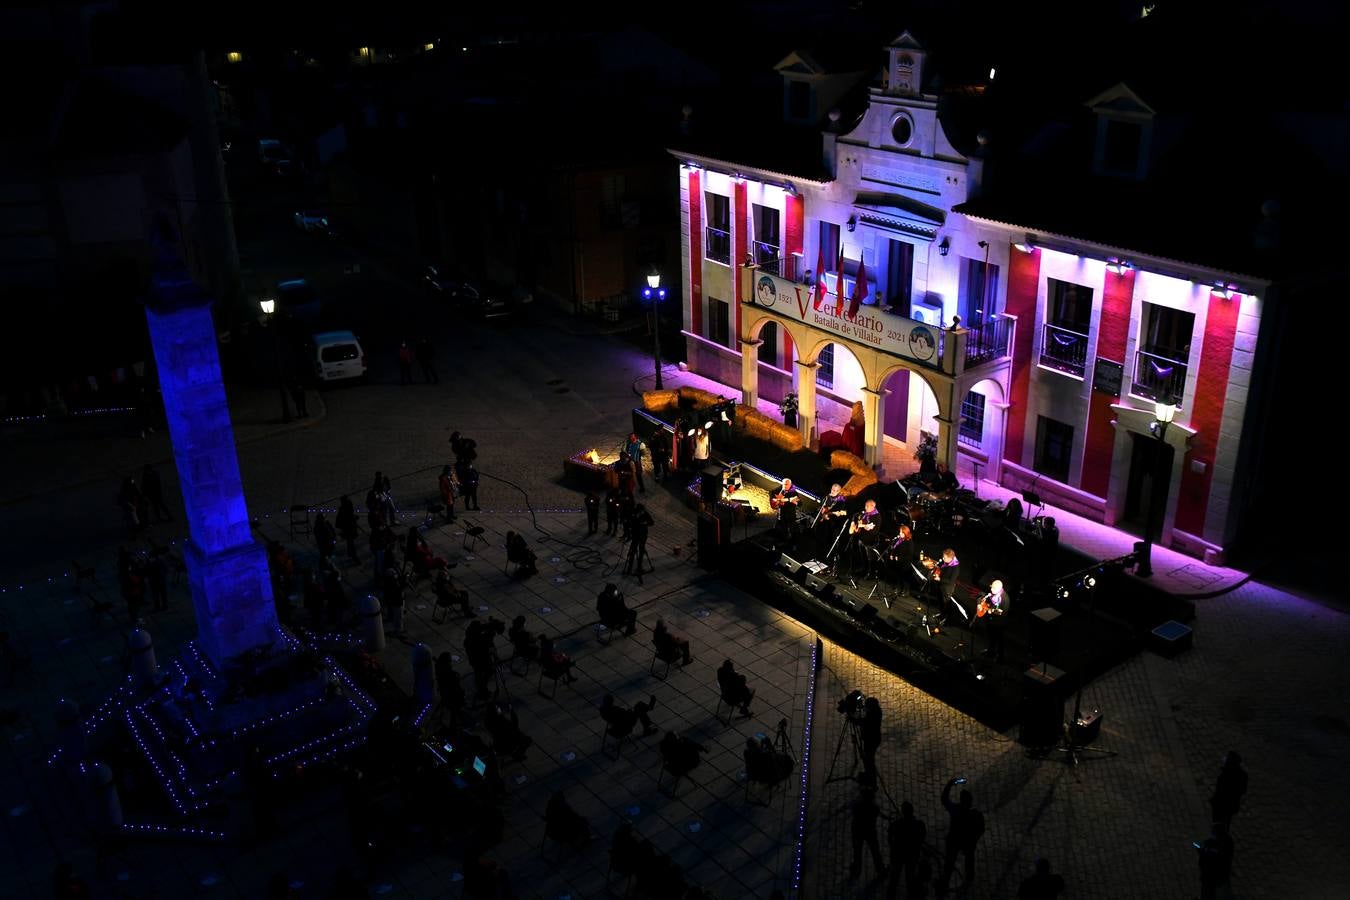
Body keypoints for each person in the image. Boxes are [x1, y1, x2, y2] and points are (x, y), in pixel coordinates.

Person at [938, 777, 984, 894]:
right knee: (967, 859)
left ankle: (945, 884)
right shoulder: (975, 815)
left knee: (950, 863)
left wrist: (950, 784)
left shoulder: (957, 810)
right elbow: (981, 829)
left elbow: (944, 799)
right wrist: (974, 840)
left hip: (955, 841)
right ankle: (967, 881)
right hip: (964, 842)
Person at [888, 800, 926, 899]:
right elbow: (922, 837)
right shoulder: (919, 824)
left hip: (898, 854)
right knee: (910, 877)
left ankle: (891, 895)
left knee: (895, 877)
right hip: (912, 855)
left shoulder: (896, 824)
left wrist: (893, 848)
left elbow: (889, 836)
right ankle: (911, 895)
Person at [850, 785, 886, 879]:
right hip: (870, 832)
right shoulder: (874, 807)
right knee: (875, 852)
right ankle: (880, 870)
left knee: (857, 853)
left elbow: (853, 809)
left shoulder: (857, 805)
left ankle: (856, 871)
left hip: (858, 831)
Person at [1196, 822, 1233, 900]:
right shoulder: (1228, 841)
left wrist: (1203, 851)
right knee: (1208, 889)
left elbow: (1214, 858)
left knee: (1208, 889)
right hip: (1214, 873)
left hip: (1212, 873)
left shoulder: (1217, 845)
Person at [1210, 751, 1248, 826]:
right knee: (1225, 823)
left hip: (1221, 805)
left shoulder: (1226, 774)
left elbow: (1220, 790)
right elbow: (1243, 790)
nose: (1224, 760)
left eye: (1227, 759)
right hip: (1231, 806)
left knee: (1218, 824)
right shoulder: (1243, 775)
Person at [980, 579, 1011, 661]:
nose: (991, 589)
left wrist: (992, 611)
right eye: (991, 587)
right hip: (991, 620)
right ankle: (990, 652)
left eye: (993, 588)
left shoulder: (1005, 598)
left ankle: (1000, 658)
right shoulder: (993, 594)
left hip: (999, 623)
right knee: (991, 638)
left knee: (999, 640)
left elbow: (1003, 613)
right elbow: (988, 602)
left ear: (999, 589)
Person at [860, 697, 882, 784]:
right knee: (869, 758)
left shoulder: (871, 716)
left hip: (871, 740)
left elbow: (864, 722)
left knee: (869, 760)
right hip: (874, 739)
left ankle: (871, 780)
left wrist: (856, 719)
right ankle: (868, 775)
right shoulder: (877, 711)